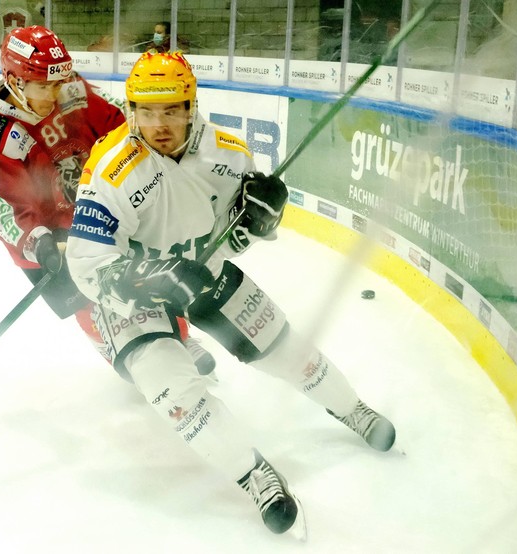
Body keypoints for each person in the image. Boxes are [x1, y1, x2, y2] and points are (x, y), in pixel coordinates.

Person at [65, 51, 396, 535]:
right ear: (131, 109)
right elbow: (87, 266)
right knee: (174, 392)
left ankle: (352, 408)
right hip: (135, 298)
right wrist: (146, 276)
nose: (159, 124)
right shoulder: (110, 169)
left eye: (172, 110)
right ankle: (253, 474)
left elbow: (234, 232)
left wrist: (261, 219)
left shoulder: (228, 152)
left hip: (203, 271)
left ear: (191, 105)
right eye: (146, 111)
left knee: (284, 350)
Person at [0, 26, 214, 372]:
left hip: (99, 212)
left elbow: (118, 121)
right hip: (52, 240)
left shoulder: (68, 88)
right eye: (43, 86)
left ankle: (182, 337)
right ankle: (128, 355)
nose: (55, 94)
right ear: (14, 81)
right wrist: (37, 242)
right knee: (90, 305)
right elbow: (2, 207)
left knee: (142, 274)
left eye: (58, 82)